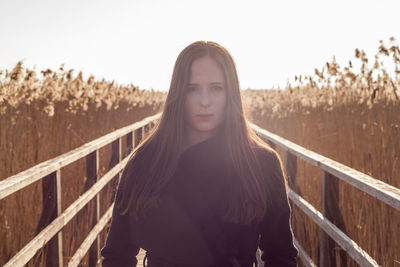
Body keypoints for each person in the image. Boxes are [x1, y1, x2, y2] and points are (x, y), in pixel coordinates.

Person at [100, 41, 298, 267]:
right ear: (178, 94)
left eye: (216, 88)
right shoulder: (147, 161)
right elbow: (117, 255)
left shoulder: (261, 163)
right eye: (192, 89)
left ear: (230, 94)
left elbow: (280, 256)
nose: (205, 101)